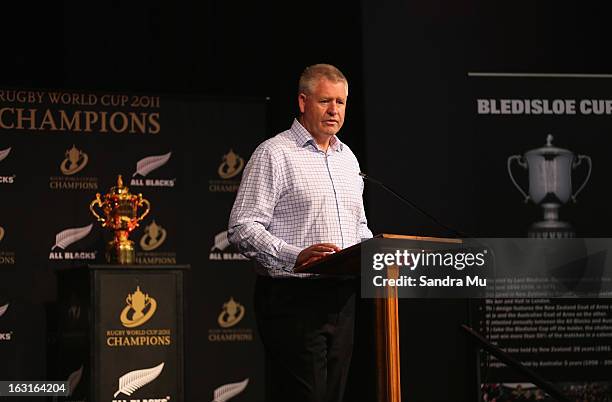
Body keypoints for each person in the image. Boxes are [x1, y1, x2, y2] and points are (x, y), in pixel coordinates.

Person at [228, 63, 372, 402]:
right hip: (293, 299)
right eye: (325, 101)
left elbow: (359, 225)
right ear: (303, 102)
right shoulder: (274, 154)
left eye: (341, 102)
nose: (334, 110)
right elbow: (242, 227)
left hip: (343, 298)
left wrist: (376, 254)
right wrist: (296, 256)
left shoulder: (347, 158)